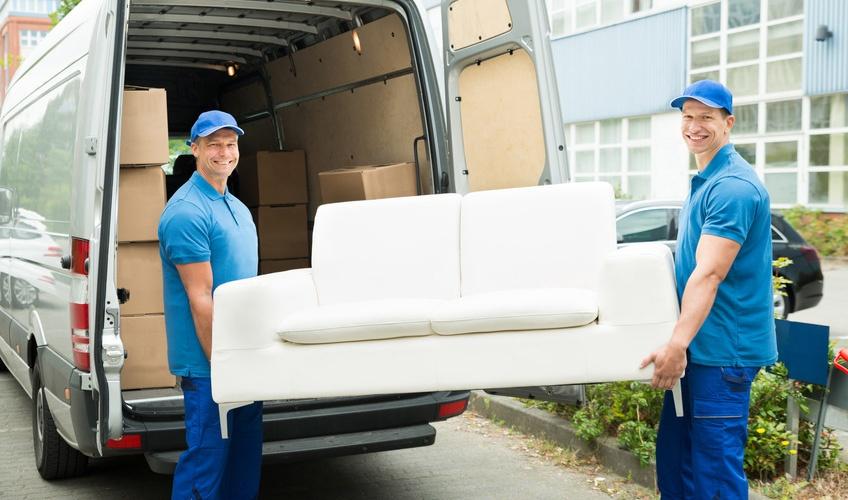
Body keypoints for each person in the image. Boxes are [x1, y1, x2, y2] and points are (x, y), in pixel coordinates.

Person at [640, 80, 777, 499]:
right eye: (687, 116)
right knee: (678, 468)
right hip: (700, 350)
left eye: (706, 117)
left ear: (728, 122)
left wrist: (676, 344)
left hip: (721, 354)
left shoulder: (733, 188)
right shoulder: (708, 179)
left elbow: (709, 274)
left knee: (712, 476)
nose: (694, 126)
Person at [159, 110, 262, 499]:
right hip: (210, 367)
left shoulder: (235, 206)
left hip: (244, 358)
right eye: (214, 144)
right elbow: (200, 297)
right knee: (207, 465)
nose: (224, 152)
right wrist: (223, 365)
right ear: (194, 148)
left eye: (230, 144)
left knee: (242, 463)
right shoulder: (187, 212)